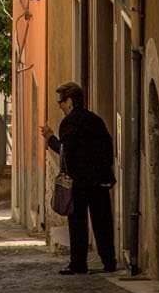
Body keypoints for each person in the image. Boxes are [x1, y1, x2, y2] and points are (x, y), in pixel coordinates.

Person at [42, 82, 117, 276]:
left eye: (61, 101)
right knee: (103, 222)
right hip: (99, 180)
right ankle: (109, 261)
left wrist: (50, 138)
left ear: (70, 101)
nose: (59, 105)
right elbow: (108, 148)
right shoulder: (96, 120)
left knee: (78, 223)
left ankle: (78, 263)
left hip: (78, 182)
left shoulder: (69, 123)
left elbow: (65, 151)